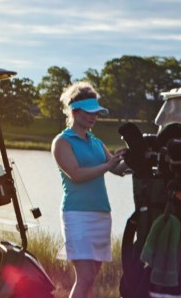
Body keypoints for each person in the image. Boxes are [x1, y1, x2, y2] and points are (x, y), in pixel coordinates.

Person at [50, 82, 128, 298]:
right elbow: (76, 174)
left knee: (91, 276)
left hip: (101, 213)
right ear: (75, 111)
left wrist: (131, 157)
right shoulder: (62, 142)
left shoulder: (96, 142)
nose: (94, 117)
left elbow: (118, 169)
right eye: (89, 112)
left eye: (97, 113)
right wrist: (107, 166)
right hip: (77, 214)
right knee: (84, 276)